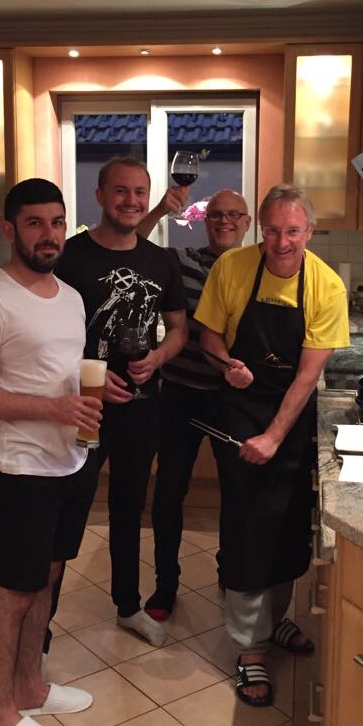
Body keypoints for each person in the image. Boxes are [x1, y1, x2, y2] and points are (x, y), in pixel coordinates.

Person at [0, 178, 102, 726]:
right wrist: (53, 409)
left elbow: (56, 371)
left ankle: (31, 687)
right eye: (35, 223)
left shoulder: (70, 297)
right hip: (19, 469)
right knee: (15, 593)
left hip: (70, 460)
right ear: (9, 230)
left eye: (57, 222)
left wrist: (90, 395)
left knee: (48, 579)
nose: (49, 234)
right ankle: (1, 717)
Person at [196, 184, 349, 707]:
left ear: (310, 231)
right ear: (261, 229)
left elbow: (306, 377)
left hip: (289, 418)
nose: (282, 243)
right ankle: (249, 647)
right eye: (273, 231)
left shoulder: (326, 287)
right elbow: (209, 337)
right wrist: (226, 365)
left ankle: (273, 619)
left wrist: (275, 436)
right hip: (240, 413)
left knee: (285, 526)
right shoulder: (232, 268)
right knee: (246, 527)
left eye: (293, 231)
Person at [55, 157, 188, 646]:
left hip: (141, 406)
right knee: (68, 508)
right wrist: (87, 375)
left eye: (139, 192)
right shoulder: (68, 257)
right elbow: (47, 336)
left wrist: (158, 358)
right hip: (83, 407)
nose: (131, 201)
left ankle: (128, 606)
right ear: (99, 195)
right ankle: (39, 627)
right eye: (121, 191)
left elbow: (178, 329)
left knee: (129, 509)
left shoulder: (161, 261)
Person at [135, 187, 252, 619]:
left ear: (247, 223)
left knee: (237, 493)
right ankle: (165, 585)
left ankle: (229, 568)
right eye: (217, 214)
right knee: (168, 492)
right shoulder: (179, 260)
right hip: (180, 394)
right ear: (205, 220)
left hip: (232, 399)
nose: (225, 221)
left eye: (234, 215)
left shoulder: (256, 266)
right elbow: (134, 247)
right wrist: (157, 210)